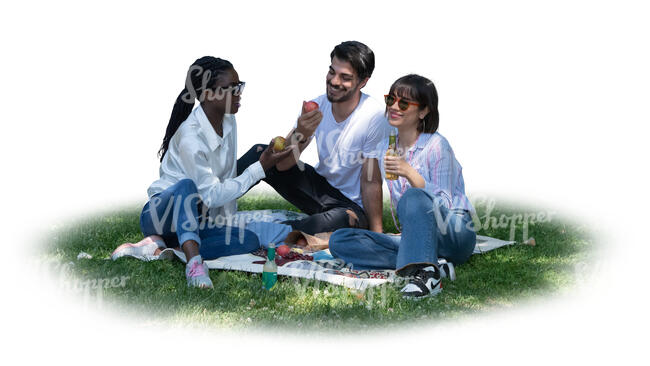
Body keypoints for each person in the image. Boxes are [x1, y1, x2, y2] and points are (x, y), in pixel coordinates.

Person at [113, 56, 294, 289]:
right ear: (208, 94)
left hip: (194, 221)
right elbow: (209, 195)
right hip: (160, 214)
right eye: (232, 88)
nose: (239, 93)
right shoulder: (191, 136)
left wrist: (225, 225)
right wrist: (260, 167)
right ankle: (194, 264)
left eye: (240, 86)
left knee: (249, 239)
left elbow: (226, 178)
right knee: (187, 186)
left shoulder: (229, 121)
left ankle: (162, 248)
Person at [328, 74, 476, 299]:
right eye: (391, 100)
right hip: (418, 237)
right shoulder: (384, 146)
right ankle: (434, 264)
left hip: (455, 233)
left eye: (404, 103)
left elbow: (443, 203)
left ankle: (427, 276)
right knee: (340, 241)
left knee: (414, 196)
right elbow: (370, 181)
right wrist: (377, 233)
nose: (394, 107)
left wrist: (408, 171)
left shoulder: (437, 145)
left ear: (423, 111)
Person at [237, 41, 390, 235]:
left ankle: (264, 232)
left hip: (350, 209)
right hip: (319, 190)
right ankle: (206, 202)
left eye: (345, 77)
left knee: (341, 220)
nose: (334, 81)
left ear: (363, 82)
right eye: (332, 72)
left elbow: (371, 181)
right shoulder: (318, 105)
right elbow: (282, 166)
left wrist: (377, 234)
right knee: (261, 152)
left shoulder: (374, 117)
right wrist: (301, 134)